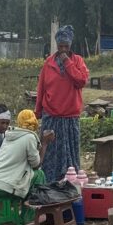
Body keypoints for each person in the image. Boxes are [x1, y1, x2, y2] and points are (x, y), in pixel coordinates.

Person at [36, 25, 89, 181]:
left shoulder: (78, 61)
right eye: (60, 47)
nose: (63, 50)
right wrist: (38, 111)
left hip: (70, 117)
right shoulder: (48, 63)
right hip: (51, 115)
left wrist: (67, 62)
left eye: (66, 46)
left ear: (70, 45)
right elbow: (41, 88)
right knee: (49, 152)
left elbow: (81, 81)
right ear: (56, 46)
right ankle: (48, 182)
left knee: (70, 154)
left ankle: (70, 183)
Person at [0, 110, 54, 200]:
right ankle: (32, 211)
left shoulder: (9, 135)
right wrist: (45, 143)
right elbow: (36, 165)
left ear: (18, 122)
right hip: (0, 186)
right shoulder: (29, 137)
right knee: (39, 175)